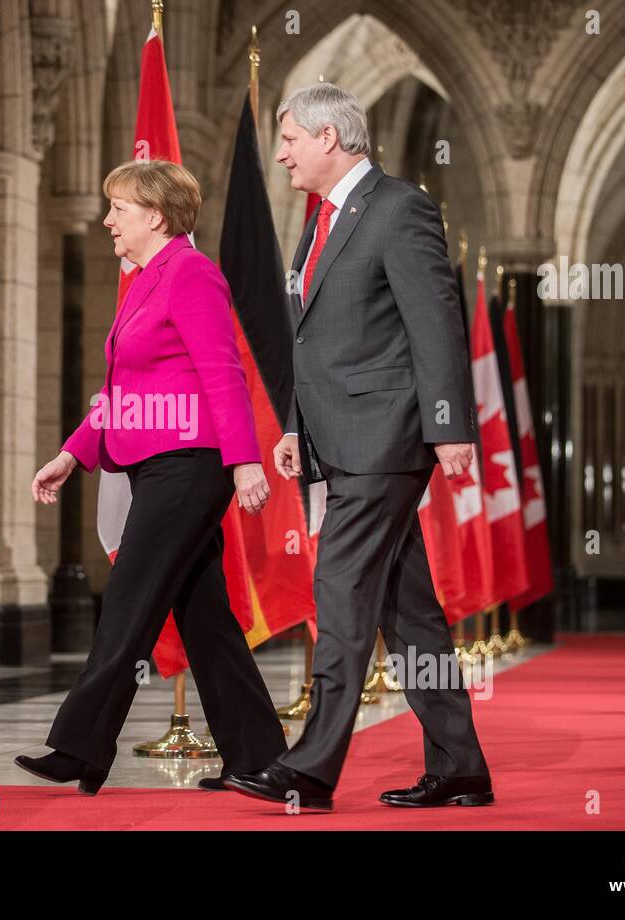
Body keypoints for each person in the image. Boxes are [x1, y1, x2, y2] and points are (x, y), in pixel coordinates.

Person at [223, 82, 493, 811]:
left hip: (385, 440)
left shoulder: (400, 208)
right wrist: (291, 426)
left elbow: (434, 319)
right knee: (408, 613)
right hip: (334, 435)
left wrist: (449, 429)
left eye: (289, 139)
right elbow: (315, 338)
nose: (280, 153)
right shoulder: (321, 219)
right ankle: (460, 764)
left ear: (329, 139)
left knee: (340, 594)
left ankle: (309, 770)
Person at [16, 159, 288, 794]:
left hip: (189, 469)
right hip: (157, 467)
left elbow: (224, 372)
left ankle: (79, 747)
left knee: (128, 605)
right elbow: (122, 388)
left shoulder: (191, 273)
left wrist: (245, 461)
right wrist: (73, 453)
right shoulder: (144, 279)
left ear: (156, 216)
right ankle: (258, 759)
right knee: (206, 621)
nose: (108, 218)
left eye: (120, 207)